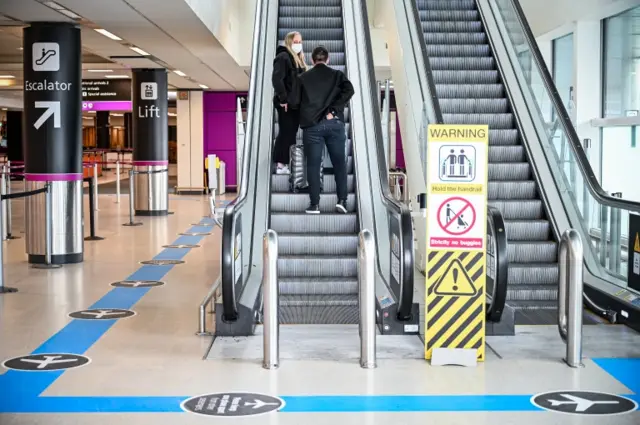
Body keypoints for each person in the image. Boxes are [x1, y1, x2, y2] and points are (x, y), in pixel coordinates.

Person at [298, 46, 354, 214]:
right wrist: (334, 110)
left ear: (312, 60)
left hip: (312, 127)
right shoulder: (337, 75)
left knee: (313, 165)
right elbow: (349, 90)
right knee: (339, 164)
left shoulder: (303, 77)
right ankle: (342, 201)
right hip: (334, 124)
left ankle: (314, 204)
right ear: (328, 59)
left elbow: (295, 101)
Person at [272, 31, 307, 174]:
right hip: (286, 103)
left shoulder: (298, 59)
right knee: (286, 132)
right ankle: (280, 164)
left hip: (295, 104)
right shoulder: (283, 57)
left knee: (291, 132)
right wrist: (283, 99)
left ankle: (286, 162)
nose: (298, 44)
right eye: (295, 42)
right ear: (289, 42)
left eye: (299, 42)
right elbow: (277, 79)